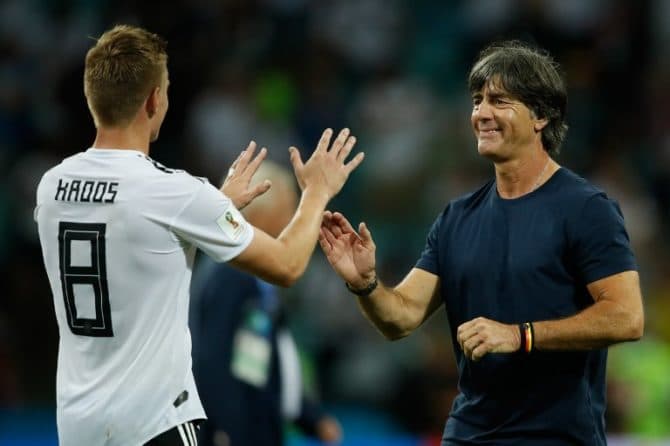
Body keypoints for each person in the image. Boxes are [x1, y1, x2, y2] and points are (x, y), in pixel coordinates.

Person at [33, 24, 363, 446]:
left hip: (78, 422)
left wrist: (211, 210)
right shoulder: (173, 191)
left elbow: (128, 235)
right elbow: (287, 264)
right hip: (155, 423)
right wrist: (316, 192)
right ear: (154, 99)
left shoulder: (52, 185)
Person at [318, 40, 644, 445]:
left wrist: (519, 335)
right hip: (469, 435)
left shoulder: (586, 209)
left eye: (500, 101)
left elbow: (627, 316)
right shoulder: (456, 218)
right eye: (477, 101)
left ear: (540, 115)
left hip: (556, 438)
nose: (481, 114)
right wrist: (364, 283)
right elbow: (399, 319)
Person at [190, 161, 342, 446]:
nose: (292, 221)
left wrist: (310, 417)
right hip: (237, 431)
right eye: (288, 210)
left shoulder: (256, 279)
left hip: (258, 427)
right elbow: (211, 358)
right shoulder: (229, 274)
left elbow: (270, 360)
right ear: (260, 213)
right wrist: (224, 428)